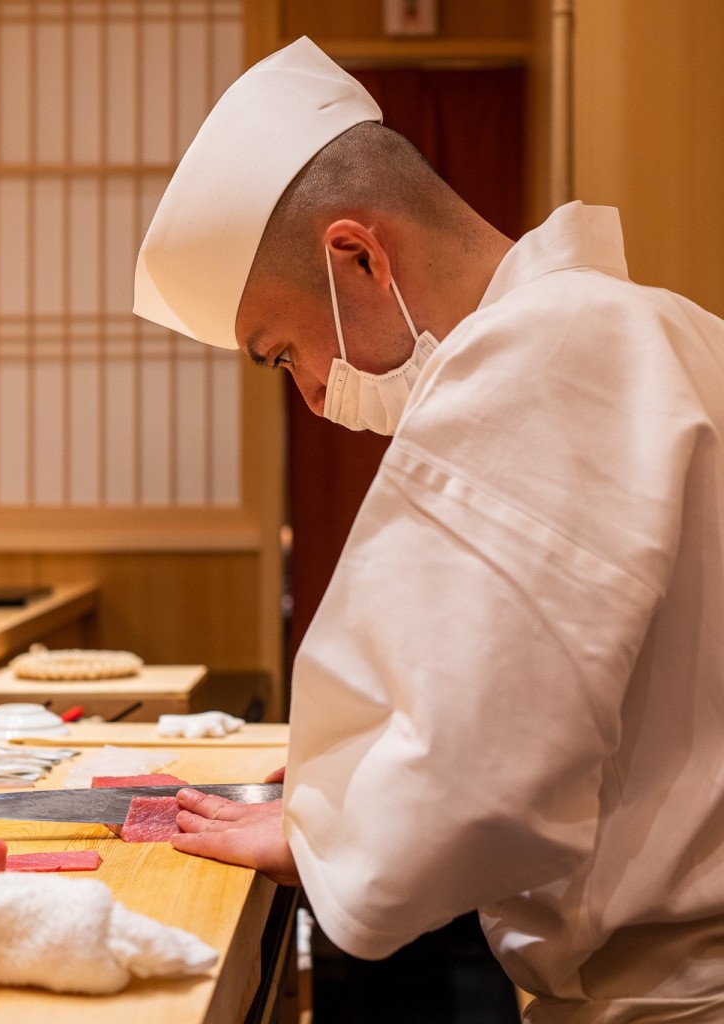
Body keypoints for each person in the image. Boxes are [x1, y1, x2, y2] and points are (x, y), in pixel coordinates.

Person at [133, 36, 724, 1023]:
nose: (316, 400)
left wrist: (329, 833)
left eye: (283, 353)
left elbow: (494, 756)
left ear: (357, 254)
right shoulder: (672, 324)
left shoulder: (542, 349)